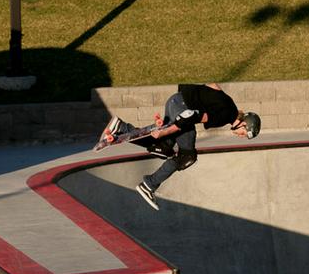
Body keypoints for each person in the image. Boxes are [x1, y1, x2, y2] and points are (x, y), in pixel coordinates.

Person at [94, 83, 261, 210]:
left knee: (163, 148)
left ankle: (121, 128)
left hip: (176, 99)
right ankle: (149, 185)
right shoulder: (224, 116)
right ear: (244, 125)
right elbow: (191, 116)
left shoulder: (229, 104)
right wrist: (166, 131)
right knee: (187, 156)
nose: (241, 136)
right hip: (182, 109)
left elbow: (213, 86)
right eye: (244, 133)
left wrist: (196, 96)